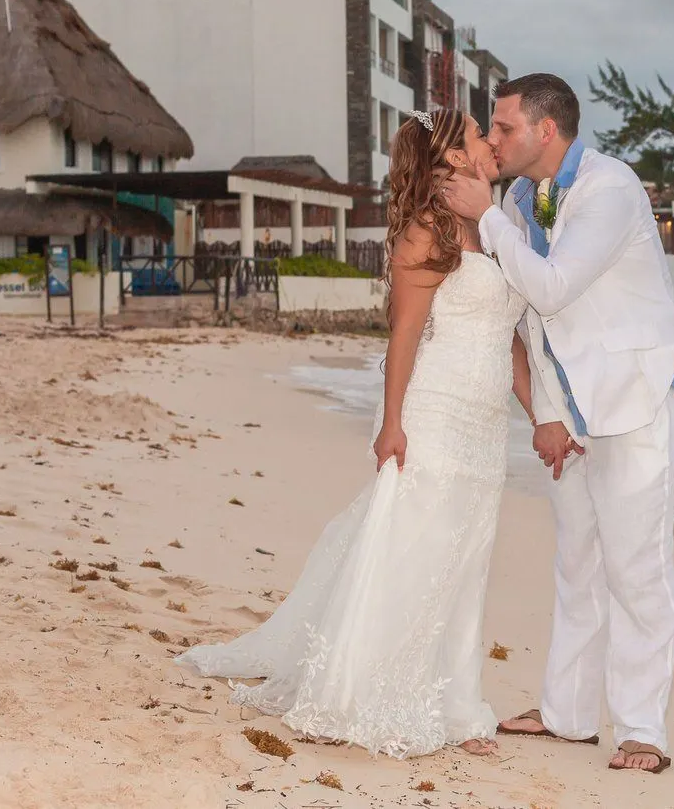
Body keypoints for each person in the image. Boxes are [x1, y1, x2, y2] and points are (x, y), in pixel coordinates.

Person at [175, 108, 531, 759]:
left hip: (485, 424)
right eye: (480, 133)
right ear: (455, 157)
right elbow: (404, 333)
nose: (491, 140)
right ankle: (364, 694)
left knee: (464, 561)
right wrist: (391, 423)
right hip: (435, 410)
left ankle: (454, 704)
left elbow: (509, 339)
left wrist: (542, 416)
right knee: (413, 552)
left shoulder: (492, 229)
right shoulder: (426, 231)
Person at [442, 73, 674, 774]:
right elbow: (530, 314)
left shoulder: (610, 189)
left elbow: (553, 286)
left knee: (637, 567)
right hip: (571, 402)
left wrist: (485, 217)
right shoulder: (521, 198)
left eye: (504, 128)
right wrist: (547, 414)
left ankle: (643, 729)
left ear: (545, 131)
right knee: (577, 561)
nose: (495, 140)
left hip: (635, 397)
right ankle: (568, 715)